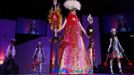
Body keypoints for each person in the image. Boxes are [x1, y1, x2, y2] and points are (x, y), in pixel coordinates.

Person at [57, 0, 91, 74]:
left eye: (75, 11)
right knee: (68, 53)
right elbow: (62, 27)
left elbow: (82, 28)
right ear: (70, 11)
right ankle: (68, 70)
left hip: (78, 39)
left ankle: (78, 69)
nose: (74, 12)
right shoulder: (67, 18)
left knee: (79, 53)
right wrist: (57, 29)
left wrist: (87, 35)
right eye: (72, 11)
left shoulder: (77, 19)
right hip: (69, 39)